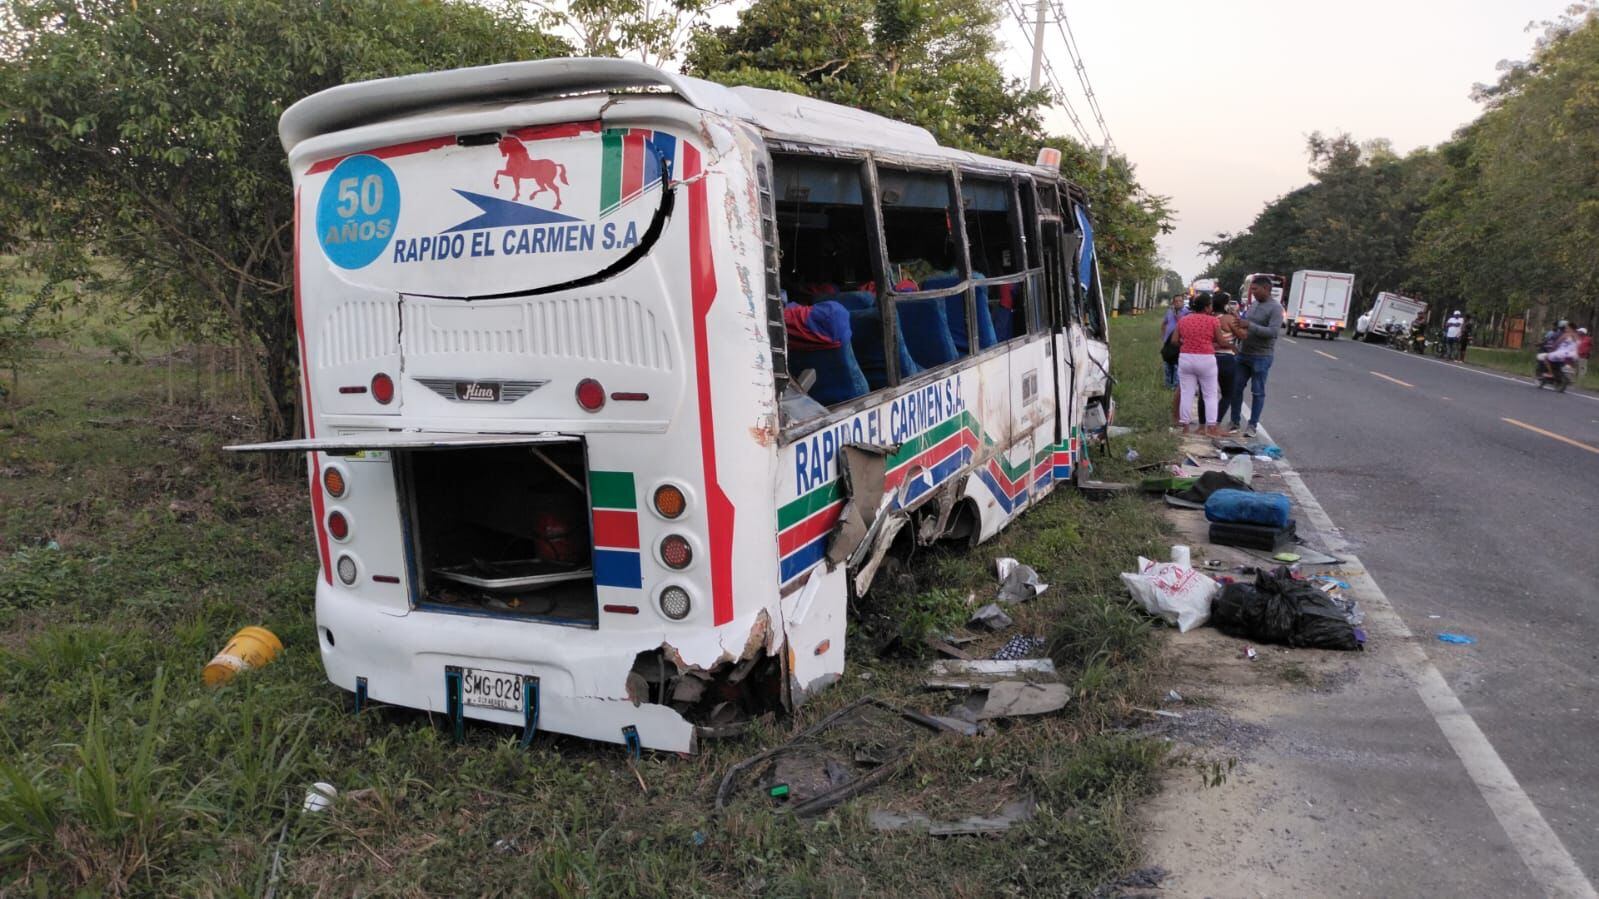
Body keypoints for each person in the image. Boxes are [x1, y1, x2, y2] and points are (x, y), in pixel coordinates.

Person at [1229, 275, 1284, 437]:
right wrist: (1238, 321)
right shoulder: (1253, 304)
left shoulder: (1276, 308)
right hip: (1243, 353)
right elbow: (1245, 324)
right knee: (1236, 388)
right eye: (1251, 289)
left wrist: (1249, 325)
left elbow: (1273, 332)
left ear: (1266, 288)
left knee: (1257, 392)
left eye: (1255, 289)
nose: (1252, 292)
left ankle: (1252, 425)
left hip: (1261, 356)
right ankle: (1234, 422)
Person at [1175, 293, 1222, 435]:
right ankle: (1212, 427)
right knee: (1210, 394)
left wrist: (1186, 344)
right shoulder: (1213, 321)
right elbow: (1220, 340)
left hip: (1186, 358)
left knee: (1186, 393)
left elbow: (1174, 340)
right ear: (1207, 307)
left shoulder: (1184, 320)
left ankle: (1185, 427)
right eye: (1210, 305)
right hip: (1206, 359)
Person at [1211, 299, 1247, 426]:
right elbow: (1243, 335)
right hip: (1226, 358)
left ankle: (1204, 422)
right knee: (1227, 393)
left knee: (1208, 393)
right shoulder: (1229, 319)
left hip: (1209, 357)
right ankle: (1216, 422)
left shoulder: (1210, 318)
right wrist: (1239, 319)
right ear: (1226, 305)